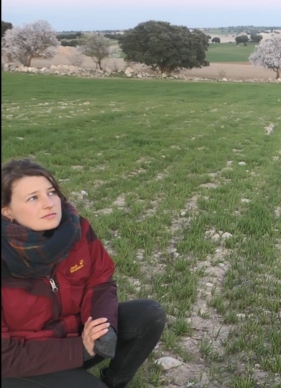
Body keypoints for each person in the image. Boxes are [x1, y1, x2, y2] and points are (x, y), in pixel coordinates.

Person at [1, 158, 166, 388]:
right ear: (7, 211)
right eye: (33, 198)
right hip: (23, 363)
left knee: (149, 315)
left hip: (76, 336)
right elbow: (5, 356)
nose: (49, 203)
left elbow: (100, 282)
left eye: (51, 192)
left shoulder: (76, 229)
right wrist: (77, 349)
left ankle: (114, 382)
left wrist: (103, 326)